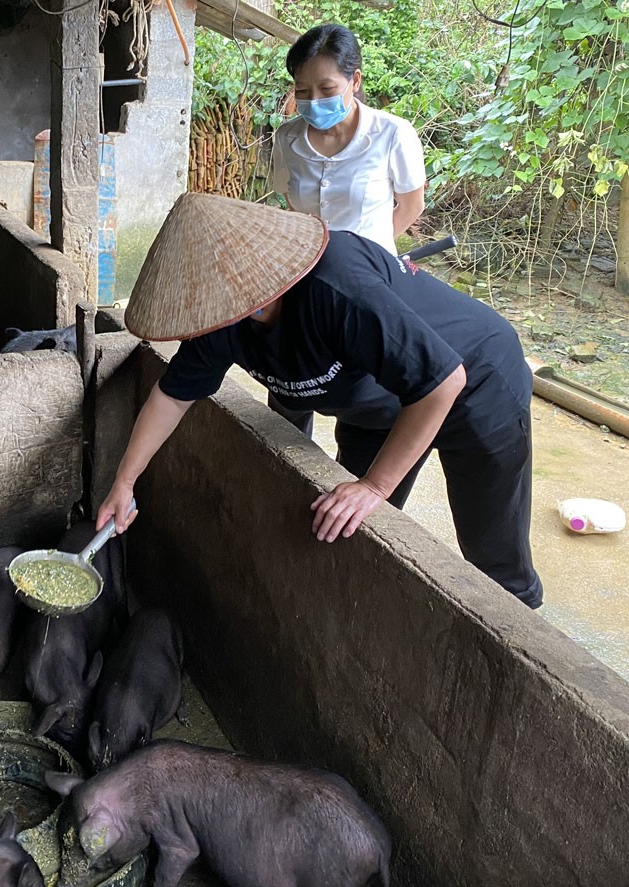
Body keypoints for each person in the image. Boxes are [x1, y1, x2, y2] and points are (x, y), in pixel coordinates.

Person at [98, 195, 543, 610]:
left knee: (491, 552)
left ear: (252, 290)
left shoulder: (336, 286)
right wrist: (124, 482)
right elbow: (174, 396)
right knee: (347, 526)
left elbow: (443, 382)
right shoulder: (220, 316)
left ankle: (524, 631)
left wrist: (374, 487)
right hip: (379, 406)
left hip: (476, 383)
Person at [271, 23, 426, 258]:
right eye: (302, 91)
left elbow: (412, 206)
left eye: (327, 88)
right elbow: (290, 201)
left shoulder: (392, 134)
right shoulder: (287, 138)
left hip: (371, 271)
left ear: (355, 81)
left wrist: (368, 253)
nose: (314, 100)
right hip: (307, 269)